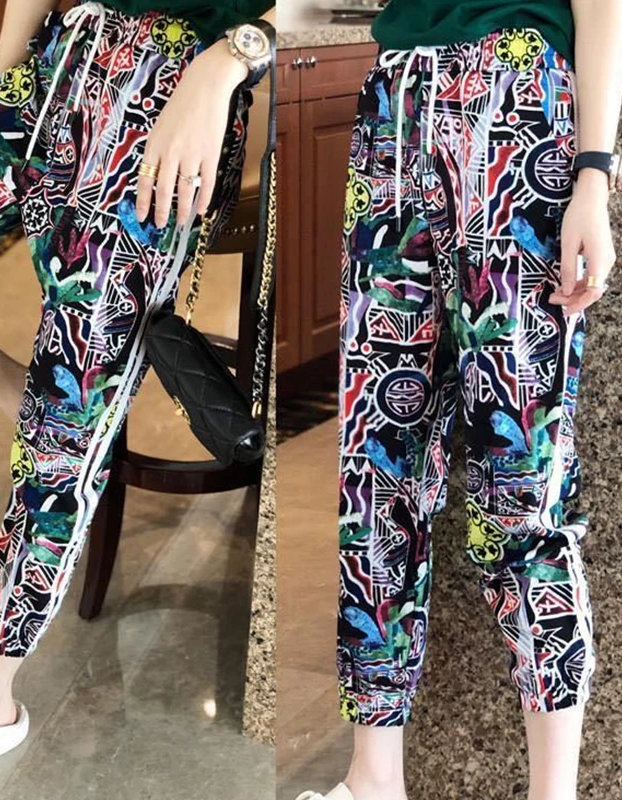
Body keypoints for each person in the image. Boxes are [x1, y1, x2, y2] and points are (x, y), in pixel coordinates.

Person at [0, 1, 274, 796]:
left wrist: (227, 63)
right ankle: (15, 391)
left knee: (64, 427)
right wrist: (2, 85)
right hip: (56, 69)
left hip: (173, 101)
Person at [297, 1, 621, 799]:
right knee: (377, 470)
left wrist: (594, 170)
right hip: (392, 108)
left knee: (522, 483)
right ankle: (373, 779)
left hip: (517, 110)